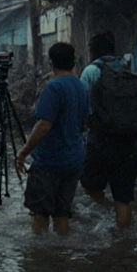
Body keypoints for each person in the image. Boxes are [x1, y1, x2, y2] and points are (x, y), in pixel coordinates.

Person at [15, 42, 89, 235]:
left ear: (51, 63)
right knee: (62, 213)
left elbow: (44, 125)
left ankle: (41, 260)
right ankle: (61, 258)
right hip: (73, 159)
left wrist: (23, 153)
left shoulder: (53, 88)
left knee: (40, 213)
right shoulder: (81, 86)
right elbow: (84, 122)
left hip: (50, 161)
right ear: (73, 63)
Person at [79, 31, 137, 229]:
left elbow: (81, 104)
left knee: (89, 183)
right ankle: (125, 241)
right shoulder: (128, 68)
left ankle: (107, 210)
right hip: (131, 141)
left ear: (92, 50)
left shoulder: (92, 70)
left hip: (102, 139)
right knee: (123, 197)